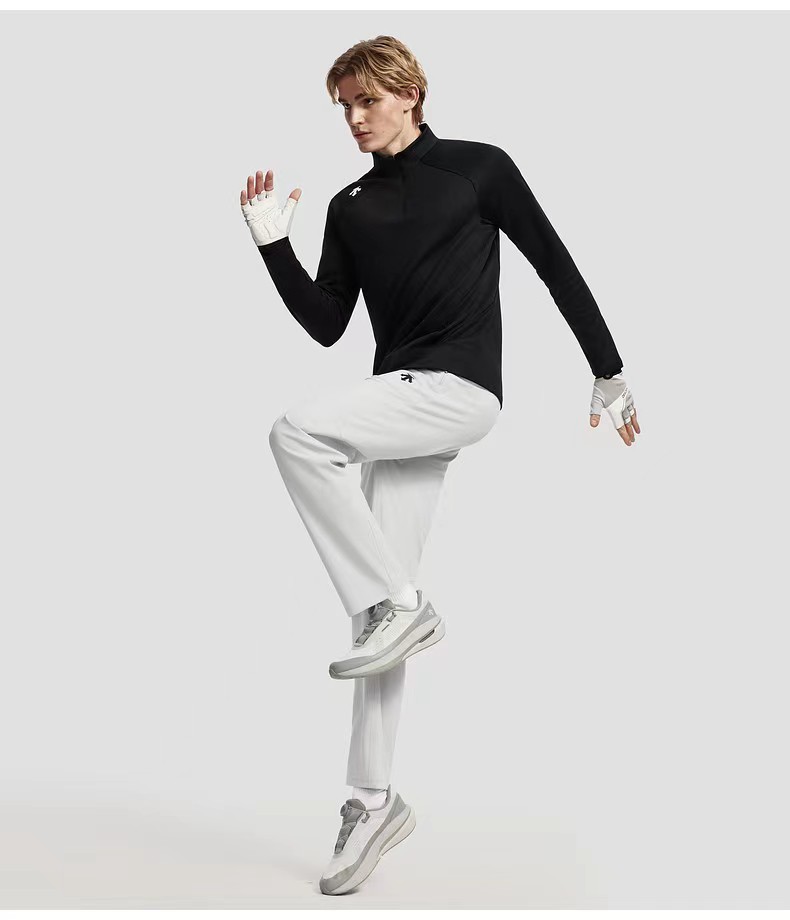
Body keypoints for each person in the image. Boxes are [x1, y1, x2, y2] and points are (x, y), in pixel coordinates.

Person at [240, 35, 639, 896]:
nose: (354, 118)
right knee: (377, 630)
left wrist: (607, 370)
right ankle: (371, 801)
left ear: (409, 94)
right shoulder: (349, 206)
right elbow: (327, 324)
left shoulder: (477, 170)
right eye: (344, 106)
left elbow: (554, 263)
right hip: (403, 407)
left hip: (458, 389)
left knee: (297, 433)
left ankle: (401, 605)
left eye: (367, 100)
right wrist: (274, 245)